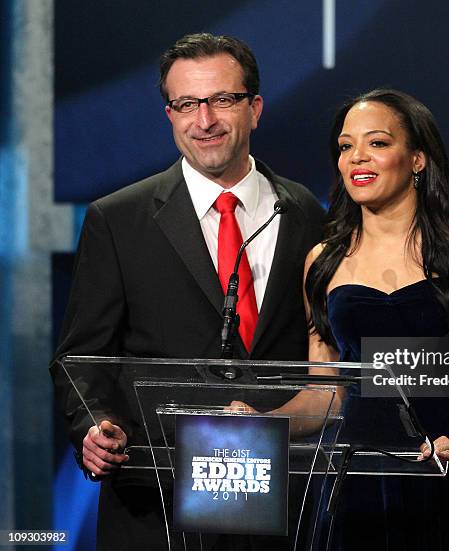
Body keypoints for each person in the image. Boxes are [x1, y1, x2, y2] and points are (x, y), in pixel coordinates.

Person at [50, 33, 325, 550]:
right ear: (170, 114)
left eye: (222, 100)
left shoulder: (304, 211)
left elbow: (321, 357)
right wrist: (96, 426)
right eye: (186, 104)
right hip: (156, 505)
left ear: (255, 108)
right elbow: (81, 356)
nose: (205, 120)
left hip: (280, 505)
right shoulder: (118, 218)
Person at [304, 89, 449, 550]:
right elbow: (322, 391)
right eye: (346, 147)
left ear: (418, 159)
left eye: (378, 143)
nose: (357, 158)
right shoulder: (322, 260)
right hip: (363, 476)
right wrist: (254, 420)